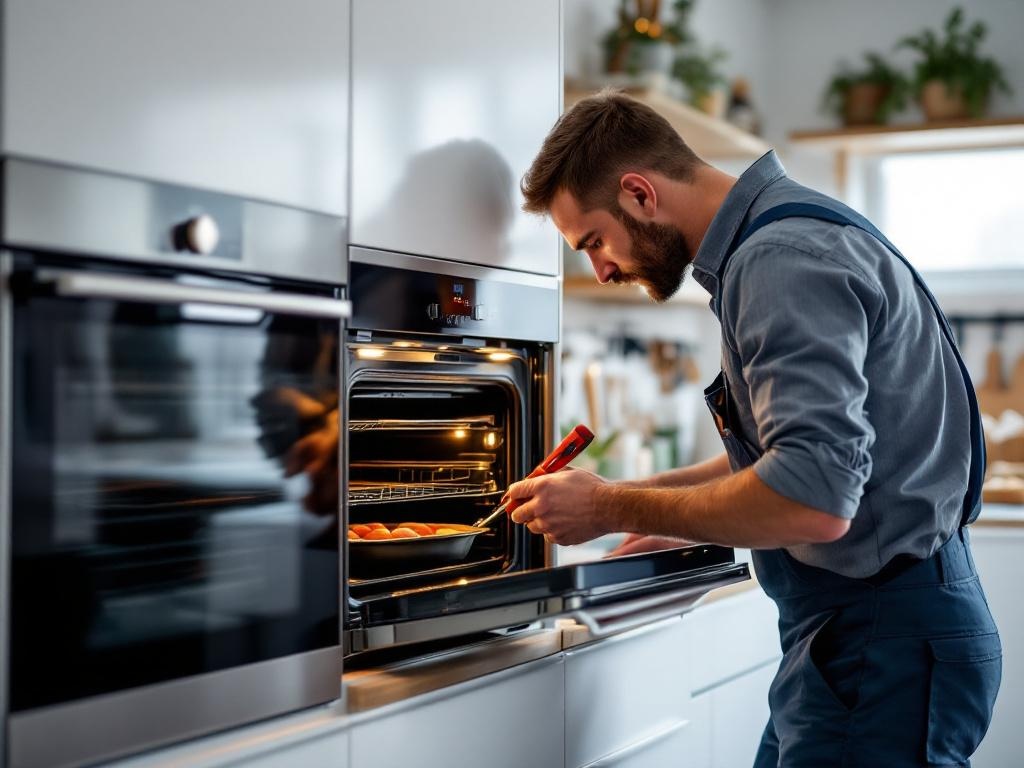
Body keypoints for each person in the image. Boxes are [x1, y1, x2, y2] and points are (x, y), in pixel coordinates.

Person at [510, 90, 1001, 767]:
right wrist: (647, 503)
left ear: (639, 194)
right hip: (865, 638)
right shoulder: (786, 232)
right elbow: (784, 458)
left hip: (880, 643)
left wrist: (608, 506)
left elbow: (812, 496)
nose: (602, 269)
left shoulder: (776, 262)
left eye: (594, 241)